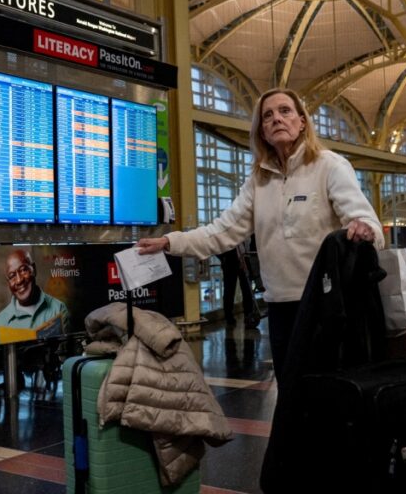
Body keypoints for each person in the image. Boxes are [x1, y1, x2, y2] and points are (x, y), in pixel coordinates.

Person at [136, 87, 384, 382]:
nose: (276, 118)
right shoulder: (258, 181)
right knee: (291, 395)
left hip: (326, 307)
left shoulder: (329, 165)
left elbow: (364, 219)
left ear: (302, 122)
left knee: (328, 395)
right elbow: (222, 231)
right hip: (281, 309)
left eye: (285, 111)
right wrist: (170, 241)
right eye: (268, 116)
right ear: (262, 132)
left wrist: (365, 229)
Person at [0, 249, 70, 344]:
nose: (19, 280)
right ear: (8, 282)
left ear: (34, 269)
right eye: (12, 276)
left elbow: (68, 352)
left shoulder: (58, 309)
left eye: (23, 270)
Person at [218, 241, 259, 328]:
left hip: (243, 261)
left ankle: (248, 314)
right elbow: (217, 249)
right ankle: (229, 317)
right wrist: (223, 258)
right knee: (229, 290)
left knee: (247, 289)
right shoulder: (225, 237)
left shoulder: (240, 237)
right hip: (230, 264)